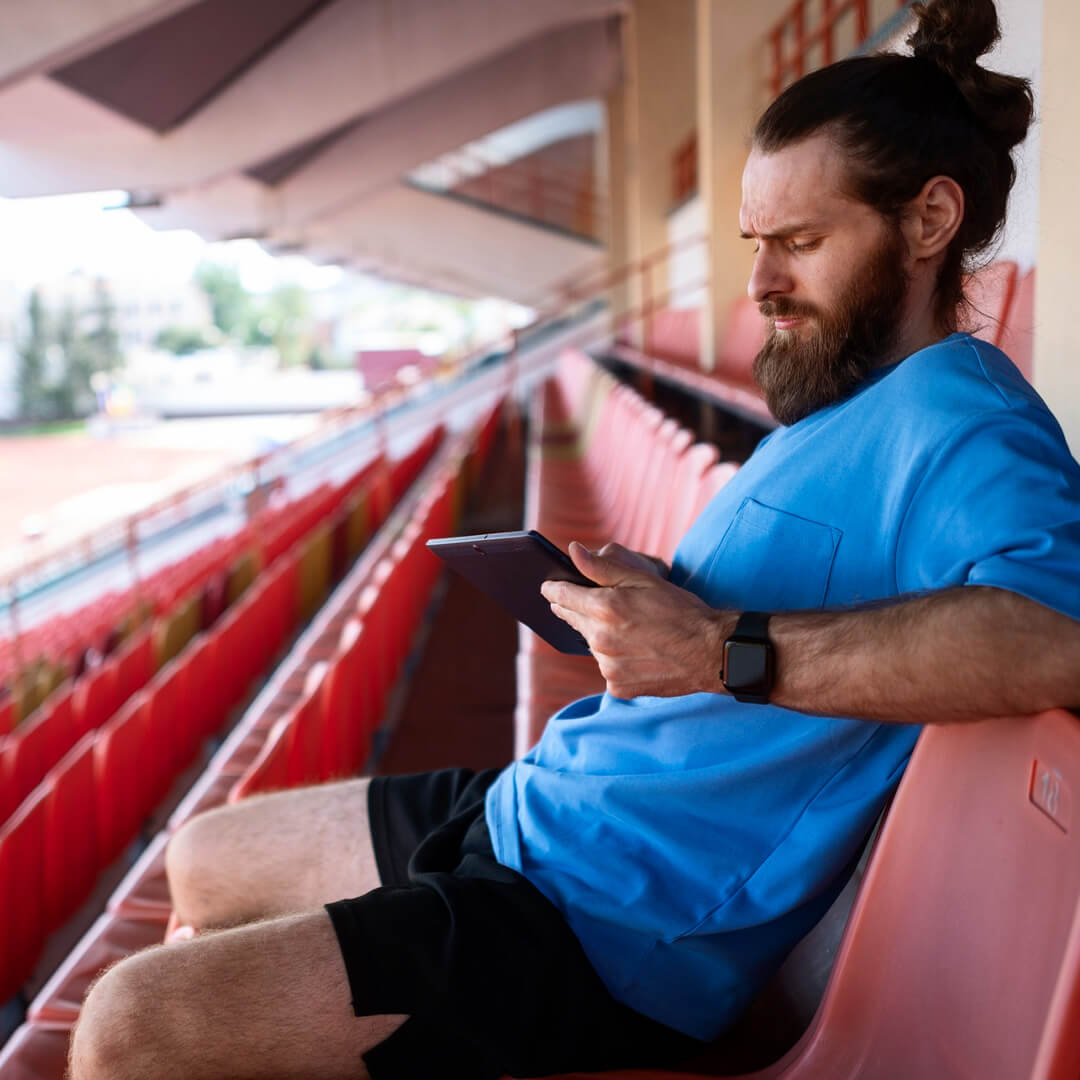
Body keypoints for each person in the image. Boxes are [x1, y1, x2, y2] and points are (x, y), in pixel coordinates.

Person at [69, 2, 1080, 1078]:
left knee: (131, 1028)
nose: (760, 285)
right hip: (541, 809)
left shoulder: (969, 423)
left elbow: (1056, 634)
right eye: (755, 244)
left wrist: (715, 649)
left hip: (600, 929)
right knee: (204, 857)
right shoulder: (845, 399)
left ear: (928, 223)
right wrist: (659, 599)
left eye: (801, 243)